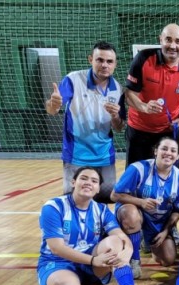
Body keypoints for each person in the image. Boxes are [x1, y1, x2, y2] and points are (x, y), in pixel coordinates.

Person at [37, 167, 151, 285]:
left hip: (93, 266)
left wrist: (128, 253)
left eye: (94, 181)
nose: (88, 183)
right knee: (64, 284)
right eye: (84, 178)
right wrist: (93, 260)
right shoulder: (54, 207)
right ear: (73, 182)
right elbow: (57, 248)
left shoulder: (101, 209)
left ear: (98, 189)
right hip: (58, 264)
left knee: (115, 241)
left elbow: (121, 236)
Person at [45, 41, 125, 203]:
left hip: (104, 156)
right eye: (99, 60)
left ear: (115, 64)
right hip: (76, 155)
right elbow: (52, 110)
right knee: (74, 202)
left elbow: (119, 127)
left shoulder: (118, 89)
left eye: (109, 61)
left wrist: (116, 116)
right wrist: (53, 104)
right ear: (91, 59)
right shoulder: (73, 80)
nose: (104, 65)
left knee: (107, 201)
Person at [124, 23, 179, 173]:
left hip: (169, 131)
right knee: (136, 178)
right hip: (140, 130)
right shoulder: (143, 59)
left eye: (178, 41)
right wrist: (144, 107)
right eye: (168, 40)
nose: (172, 46)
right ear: (160, 40)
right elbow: (129, 94)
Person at [110, 137, 179, 279]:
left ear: (177, 157)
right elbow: (114, 195)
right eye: (164, 148)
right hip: (137, 214)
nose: (168, 153)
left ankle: (145, 241)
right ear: (155, 151)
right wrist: (141, 202)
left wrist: (165, 231)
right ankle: (134, 259)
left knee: (168, 260)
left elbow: (177, 210)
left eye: (173, 150)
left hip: (159, 222)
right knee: (130, 213)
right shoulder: (138, 169)